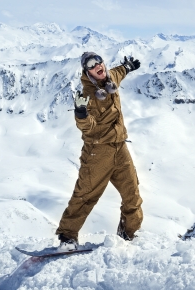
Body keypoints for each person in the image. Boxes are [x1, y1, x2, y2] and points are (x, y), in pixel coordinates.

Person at [56, 52, 143, 250]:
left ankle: (128, 235)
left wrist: (127, 67)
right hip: (97, 152)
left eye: (98, 61)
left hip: (120, 148)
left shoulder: (111, 77)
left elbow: (119, 72)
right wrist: (81, 113)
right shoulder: (88, 95)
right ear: (87, 72)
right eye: (91, 65)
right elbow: (88, 127)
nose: (97, 66)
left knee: (133, 195)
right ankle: (67, 237)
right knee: (85, 196)